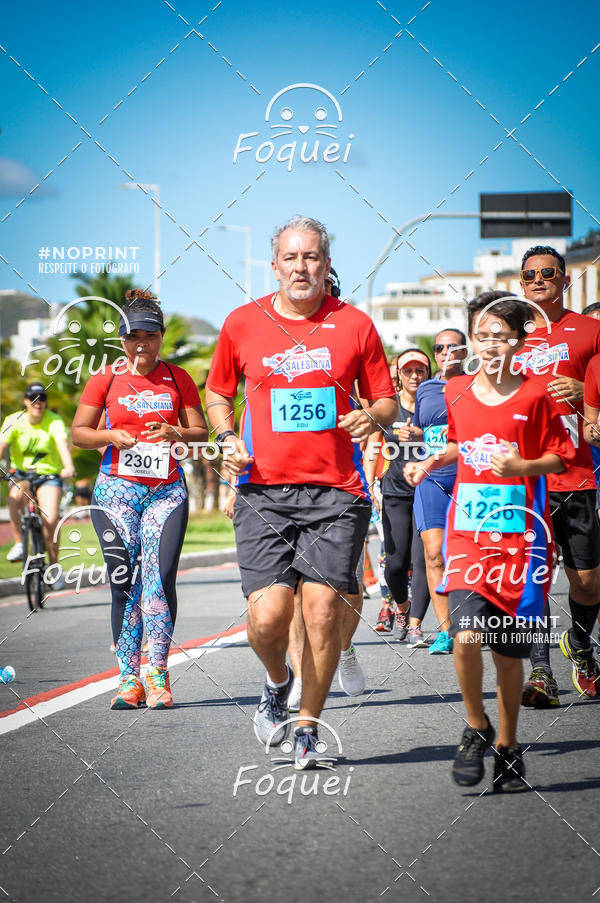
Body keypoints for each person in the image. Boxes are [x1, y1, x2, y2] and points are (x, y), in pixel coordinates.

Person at [205, 215, 396, 769]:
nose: (301, 267)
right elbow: (218, 393)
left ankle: (309, 726)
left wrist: (370, 417)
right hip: (262, 491)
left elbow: (384, 398)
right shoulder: (243, 323)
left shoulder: (354, 324)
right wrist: (223, 437)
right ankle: (276, 681)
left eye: (311, 257)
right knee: (266, 618)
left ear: (326, 263)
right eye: (291, 258)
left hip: (337, 492)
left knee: (320, 614)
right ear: (274, 265)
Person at [405, 292, 574, 791]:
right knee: (465, 635)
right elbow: (461, 442)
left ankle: (508, 745)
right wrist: (432, 460)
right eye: (482, 336)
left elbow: (560, 457)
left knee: (506, 652)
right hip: (468, 535)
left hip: (516, 540)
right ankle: (475, 725)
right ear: (473, 340)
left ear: (518, 342)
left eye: (501, 336)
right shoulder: (456, 390)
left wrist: (524, 465)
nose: (490, 345)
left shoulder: (534, 397)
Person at [72, 290, 208, 709]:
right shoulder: (106, 378)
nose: (142, 344)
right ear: (122, 339)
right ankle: (128, 679)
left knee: (159, 579)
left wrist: (176, 433)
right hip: (116, 489)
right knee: (122, 581)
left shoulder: (178, 377)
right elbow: (79, 433)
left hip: (165, 490)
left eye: (150, 335)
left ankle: (159, 674)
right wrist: (109, 435)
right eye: (133, 336)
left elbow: (200, 431)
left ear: (161, 337)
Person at [515, 246, 600, 705]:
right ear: (521, 282)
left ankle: (581, 644)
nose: (539, 280)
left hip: (578, 476)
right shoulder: (507, 337)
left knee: (587, 581)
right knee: (533, 576)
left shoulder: (591, 331)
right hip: (526, 480)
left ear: (565, 281)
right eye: (530, 275)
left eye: (548, 273)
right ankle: (541, 670)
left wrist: (585, 389)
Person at [368, 349, 431, 646]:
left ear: (428, 373)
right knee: (395, 563)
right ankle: (402, 608)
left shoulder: (435, 404)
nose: (415, 376)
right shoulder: (389, 408)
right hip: (394, 492)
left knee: (424, 559)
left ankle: (416, 624)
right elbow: (372, 443)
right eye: (409, 371)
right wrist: (370, 482)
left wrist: (423, 439)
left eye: (420, 370)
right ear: (399, 375)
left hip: (429, 490)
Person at [412, 329, 468, 654]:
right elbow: (425, 430)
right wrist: (412, 432)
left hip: (468, 476)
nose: (445, 351)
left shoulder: (477, 383)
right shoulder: (426, 388)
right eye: (439, 347)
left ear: (465, 350)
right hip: (432, 477)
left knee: (469, 552)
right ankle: (447, 631)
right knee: (433, 553)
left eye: (452, 346)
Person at [0, 383, 76, 587]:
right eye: (32, 398)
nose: (38, 402)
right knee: (14, 498)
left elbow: (62, 445)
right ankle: (18, 543)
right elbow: (1, 446)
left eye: (42, 398)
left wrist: (68, 466)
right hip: (22, 475)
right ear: (25, 401)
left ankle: (53, 567)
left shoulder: (55, 421)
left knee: (50, 519)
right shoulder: (13, 420)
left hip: (49, 475)